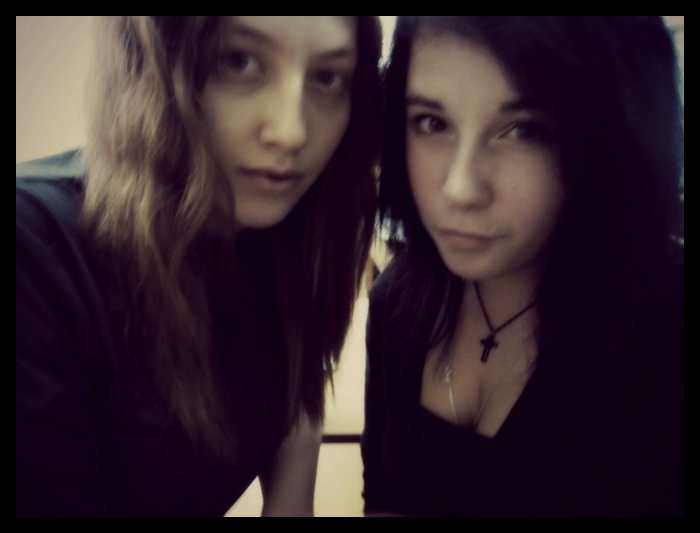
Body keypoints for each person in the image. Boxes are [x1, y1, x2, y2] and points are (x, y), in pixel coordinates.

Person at [16, 16, 382, 516]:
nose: (291, 132)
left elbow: (296, 426)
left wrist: (296, 459)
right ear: (152, 61)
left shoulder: (285, 241)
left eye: (327, 77)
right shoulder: (36, 248)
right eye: (240, 61)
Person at [361, 16, 683, 516]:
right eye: (432, 122)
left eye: (524, 130)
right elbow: (385, 497)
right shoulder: (396, 300)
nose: (460, 188)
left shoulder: (665, 321)